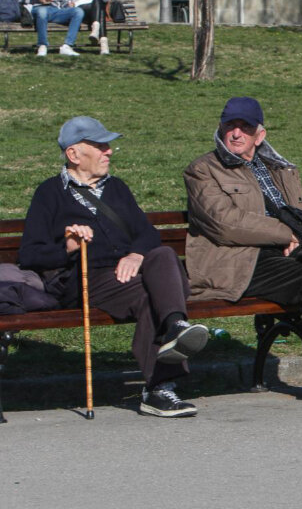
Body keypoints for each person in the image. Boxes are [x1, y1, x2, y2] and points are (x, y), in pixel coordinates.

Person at [184, 97, 302, 406]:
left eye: (245, 127)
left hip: (287, 256)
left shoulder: (279, 168)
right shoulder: (203, 170)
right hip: (239, 261)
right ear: (220, 128)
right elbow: (224, 223)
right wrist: (286, 234)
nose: (236, 134)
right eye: (230, 126)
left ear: (260, 135)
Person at [18, 116, 208, 417]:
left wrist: (135, 255)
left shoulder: (117, 188)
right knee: (154, 295)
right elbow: (29, 255)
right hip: (82, 278)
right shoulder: (50, 194)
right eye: (100, 145)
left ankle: (175, 327)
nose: (109, 151)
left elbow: (147, 233)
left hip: (127, 275)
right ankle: (159, 388)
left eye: (108, 145)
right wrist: (67, 247)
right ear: (74, 154)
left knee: (161, 256)